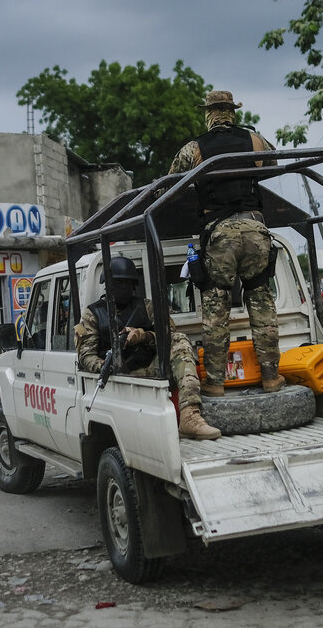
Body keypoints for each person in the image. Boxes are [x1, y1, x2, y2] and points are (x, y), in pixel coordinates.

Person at [167, 90, 284, 396]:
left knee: (217, 309)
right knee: (261, 304)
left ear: (208, 114)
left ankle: (215, 383)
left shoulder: (194, 148)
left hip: (220, 232)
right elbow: (273, 161)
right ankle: (271, 378)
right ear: (232, 113)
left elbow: (169, 184)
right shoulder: (255, 140)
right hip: (256, 229)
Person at [75, 256, 221, 440]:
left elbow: (169, 333)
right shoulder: (93, 314)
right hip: (121, 378)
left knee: (180, 340)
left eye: (128, 283)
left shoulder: (146, 306)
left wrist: (143, 336)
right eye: (119, 283)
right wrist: (105, 365)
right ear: (108, 284)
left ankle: (190, 416)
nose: (124, 288)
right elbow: (85, 355)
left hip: (151, 369)